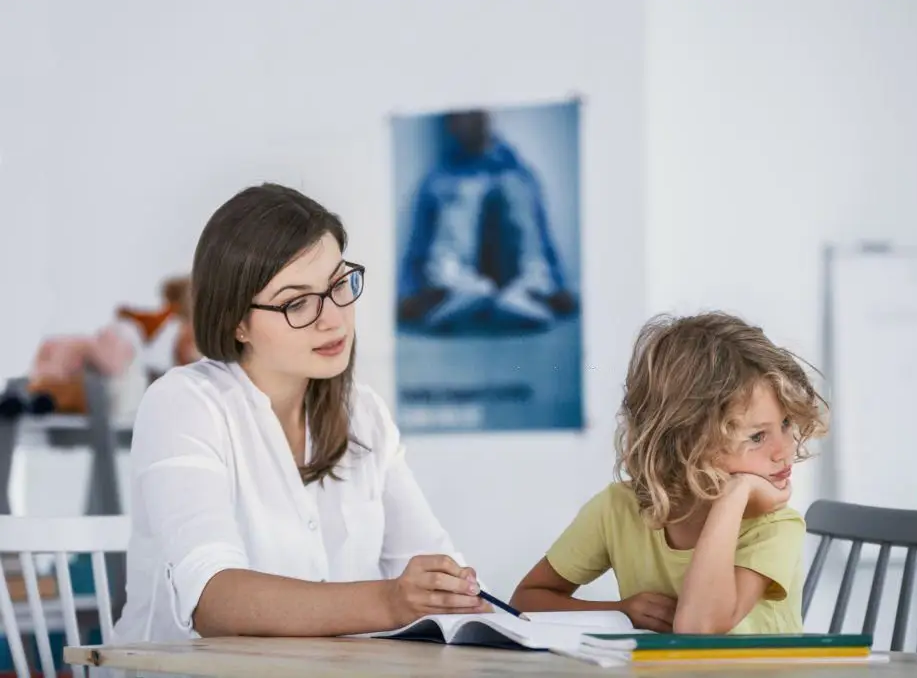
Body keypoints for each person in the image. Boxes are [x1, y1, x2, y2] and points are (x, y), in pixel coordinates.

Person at [114, 183, 489, 642]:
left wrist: (449, 591)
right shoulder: (184, 404)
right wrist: (390, 601)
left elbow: (432, 563)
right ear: (237, 322)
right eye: (297, 302)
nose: (332, 318)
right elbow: (212, 599)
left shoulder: (363, 413)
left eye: (337, 286)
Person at [510, 312, 829, 635]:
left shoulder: (775, 526)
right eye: (757, 437)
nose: (784, 450)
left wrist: (735, 495)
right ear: (686, 441)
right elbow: (525, 600)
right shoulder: (618, 509)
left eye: (786, 424)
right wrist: (620, 611)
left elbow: (700, 629)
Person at [397, 110, 577, 334]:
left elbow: (541, 236)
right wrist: (408, 293)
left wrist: (559, 285)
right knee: (462, 190)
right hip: (464, 280)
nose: (471, 119)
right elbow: (420, 241)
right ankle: (453, 291)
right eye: (461, 115)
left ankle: (530, 290)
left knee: (513, 187)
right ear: (450, 124)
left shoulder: (518, 172)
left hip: (511, 277)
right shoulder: (440, 177)